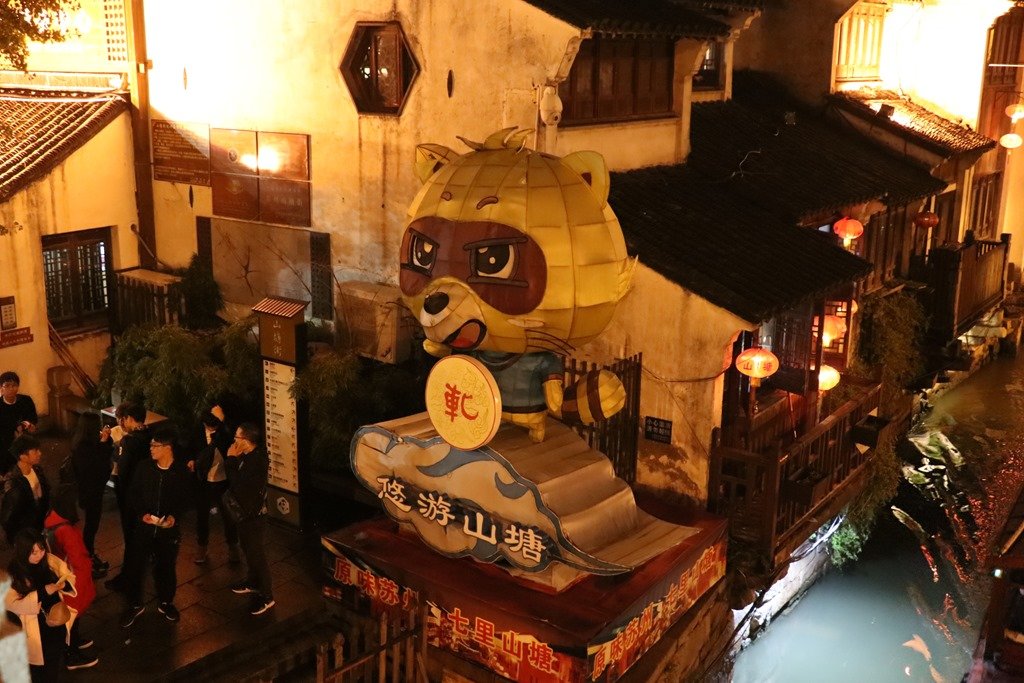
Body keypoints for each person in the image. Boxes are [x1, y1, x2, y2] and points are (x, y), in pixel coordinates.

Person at [120, 426, 188, 628]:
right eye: (151, 445)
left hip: (168, 531)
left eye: (155, 446)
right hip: (144, 528)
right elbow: (133, 494)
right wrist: (142, 514)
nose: (151, 449)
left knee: (166, 567)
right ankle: (135, 603)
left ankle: (166, 602)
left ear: (168, 448)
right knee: (136, 566)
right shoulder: (144, 467)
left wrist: (174, 517)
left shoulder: (180, 472)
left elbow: (185, 499)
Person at [5, 529, 76, 681]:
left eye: (41, 549)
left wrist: (64, 584)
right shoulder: (14, 574)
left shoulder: (49, 561)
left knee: (53, 665)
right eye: (33, 552)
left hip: (56, 623)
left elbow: (68, 576)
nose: (39, 555)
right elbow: (11, 604)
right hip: (36, 630)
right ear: (23, 552)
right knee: (39, 671)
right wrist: (44, 591)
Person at [42, 489, 99, 670]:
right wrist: (85, 578)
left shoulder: (51, 520)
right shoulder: (66, 529)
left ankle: (74, 642)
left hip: (61, 577)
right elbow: (79, 560)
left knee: (70, 617)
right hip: (73, 580)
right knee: (71, 616)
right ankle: (71, 654)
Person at [225, 421, 274, 615]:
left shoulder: (256, 461)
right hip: (244, 513)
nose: (234, 441)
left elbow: (237, 483)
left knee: (256, 553)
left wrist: (230, 459)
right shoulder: (248, 456)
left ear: (246, 440)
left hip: (254, 515)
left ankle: (267, 596)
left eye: (237, 437)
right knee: (247, 548)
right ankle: (253, 581)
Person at [105, 401, 150, 593]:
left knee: (131, 537)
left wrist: (116, 449)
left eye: (122, 419)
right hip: (146, 494)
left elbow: (122, 470)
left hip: (130, 496)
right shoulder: (150, 436)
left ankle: (129, 578)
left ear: (129, 419)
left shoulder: (129, 442)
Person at [187, 406, 239, 565]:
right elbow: (189, 448)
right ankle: (202, 547)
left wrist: (223, 420)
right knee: (202, 516)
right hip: (203, 480)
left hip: (223, 480)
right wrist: (191, 460)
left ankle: (233, 547)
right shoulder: (197, 431)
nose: (212, 430)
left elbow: (235, 437)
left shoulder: (225, 431)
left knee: (228, 516)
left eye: (215, 427)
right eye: (209, 427)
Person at [69, 412, 113, 578]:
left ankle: (90, 553)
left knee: (92, 524)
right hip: (90, 492)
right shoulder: (83, 448)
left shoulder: (82, 442)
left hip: (91, 490)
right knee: (91, 524)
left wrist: (105, 441)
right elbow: (98, 465)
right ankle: (88, 556)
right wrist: (103, 444)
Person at [1, 435, 50, 543]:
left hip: (40, 527)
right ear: (23, 456)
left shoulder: (37, 470)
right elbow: (7, 519)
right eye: (35, 451)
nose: (40, 453)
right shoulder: (14, 483)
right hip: (26, 536)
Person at [0, 371, 37, 472]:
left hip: (25, 437)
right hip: (5, 442)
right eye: (7, 386)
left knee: (29, 467)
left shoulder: (26, 400)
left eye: (14, 385)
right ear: (1, 388)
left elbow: (33, 418)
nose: (11, 389)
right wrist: (13, 435)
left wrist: (29, 425)